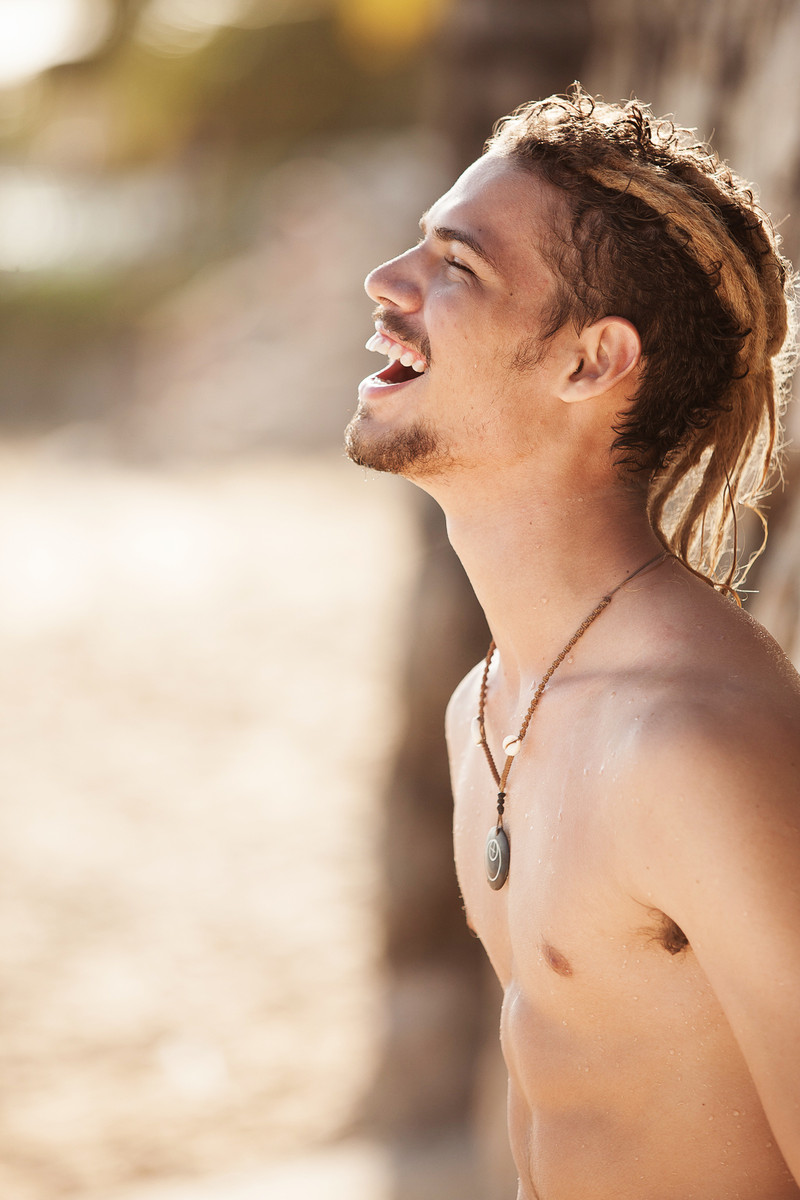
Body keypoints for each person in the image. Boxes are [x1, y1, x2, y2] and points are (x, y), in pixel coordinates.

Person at [345, 84, 800, 1200]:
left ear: (590, 361)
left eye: (457, 266)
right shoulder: (492, 702)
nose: (386, 283)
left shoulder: (694, 744)